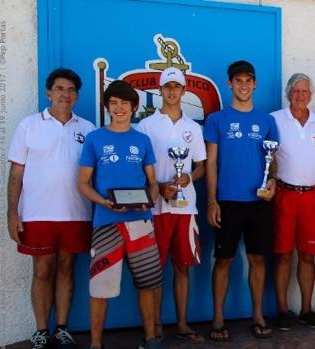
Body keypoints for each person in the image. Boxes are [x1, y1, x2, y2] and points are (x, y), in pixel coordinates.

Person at [7, 68, 95, 349]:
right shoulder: (29, 126)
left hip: (76, 213)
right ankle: (41, 331)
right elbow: (16, 174)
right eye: (59, 89)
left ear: (77, 96)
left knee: (67, 269)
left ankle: (62, 329)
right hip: (36, 213)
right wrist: (12, 212)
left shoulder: (88, 129)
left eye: (70, 90)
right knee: (43, 270)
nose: (64, 94)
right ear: (48, 93)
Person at [78, 80, 162, 349]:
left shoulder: (142, 140)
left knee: (148, 283)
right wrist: (104, 202)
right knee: (100, 286)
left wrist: (150, 199)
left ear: (134, 107)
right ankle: (95, 343)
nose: (119, 108)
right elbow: (82, 183)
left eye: (124, 103)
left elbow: (153, 183)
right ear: (107, 107)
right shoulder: (95, 139)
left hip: (140, 222)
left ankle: (150, 338)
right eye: (113, 103)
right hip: (106, 223)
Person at [203, 60, 279, 341]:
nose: (244, 86)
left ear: (255, 83)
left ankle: (257, 314)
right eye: (238, 81)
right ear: (230, 84)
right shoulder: (216, 120)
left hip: (259, 203)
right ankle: (218, 318)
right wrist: (212, 201)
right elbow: (211, 163)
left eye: (248, 81)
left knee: (258, 259)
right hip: (227, 201)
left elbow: (273, 163)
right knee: (224, 260)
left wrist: (272, 181)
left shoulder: (267, 121)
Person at [135, 67, 207, 344]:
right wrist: (157, 186)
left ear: (184, 90)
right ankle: (154, 327)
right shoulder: (145, 125)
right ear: (160, 89)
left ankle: (182, 323)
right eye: (168, 86)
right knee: (154, 270)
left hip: (185, 208)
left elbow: (200, 167)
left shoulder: (193, 128)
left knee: (182, 267)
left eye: (177, 86)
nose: (172, 91)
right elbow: (140, 167)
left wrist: (189, 176)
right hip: (155, 208)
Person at [270, 73, 315, 331]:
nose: (300, 95)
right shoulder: (275, 120)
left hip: (312, 197)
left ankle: (306, 309)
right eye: (296, 91)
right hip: (284, 196)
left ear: (311, 95)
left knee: (308, 255)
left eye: (305, 91)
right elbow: (265, 157)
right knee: (283, 255)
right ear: (288, 94)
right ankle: (282, 310)